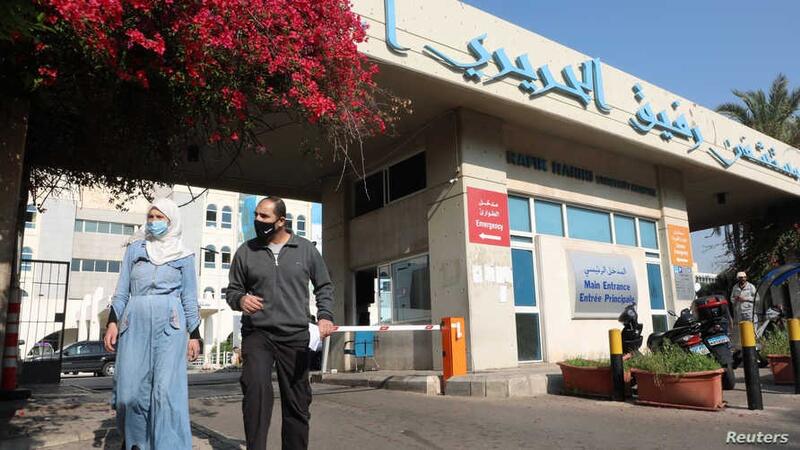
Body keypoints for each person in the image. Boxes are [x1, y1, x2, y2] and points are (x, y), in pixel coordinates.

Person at [226, 196, 334, 450]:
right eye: (256, 215)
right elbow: (232, 291)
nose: (257, 220)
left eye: (264, 216)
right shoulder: (246, 251)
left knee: (297, 402)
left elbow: (324, 286)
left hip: (295, 334)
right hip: (257, 334)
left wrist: (325, 315)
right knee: (256, 392)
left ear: (281, 221)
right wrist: (241, 299)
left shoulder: (305, 249)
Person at [103, 197, 202, 450]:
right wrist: (112, 323)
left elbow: (190, 297)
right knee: (130, 391)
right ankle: (137, 442)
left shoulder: (184, 255)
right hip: (133, 323)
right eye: (151, 217)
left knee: (165, 392)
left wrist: (194, 333)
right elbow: (121, 290)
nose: (154, 222)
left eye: (160, 217)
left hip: (170, 326)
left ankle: (169, 445)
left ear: (171, 221)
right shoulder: (135, 249)